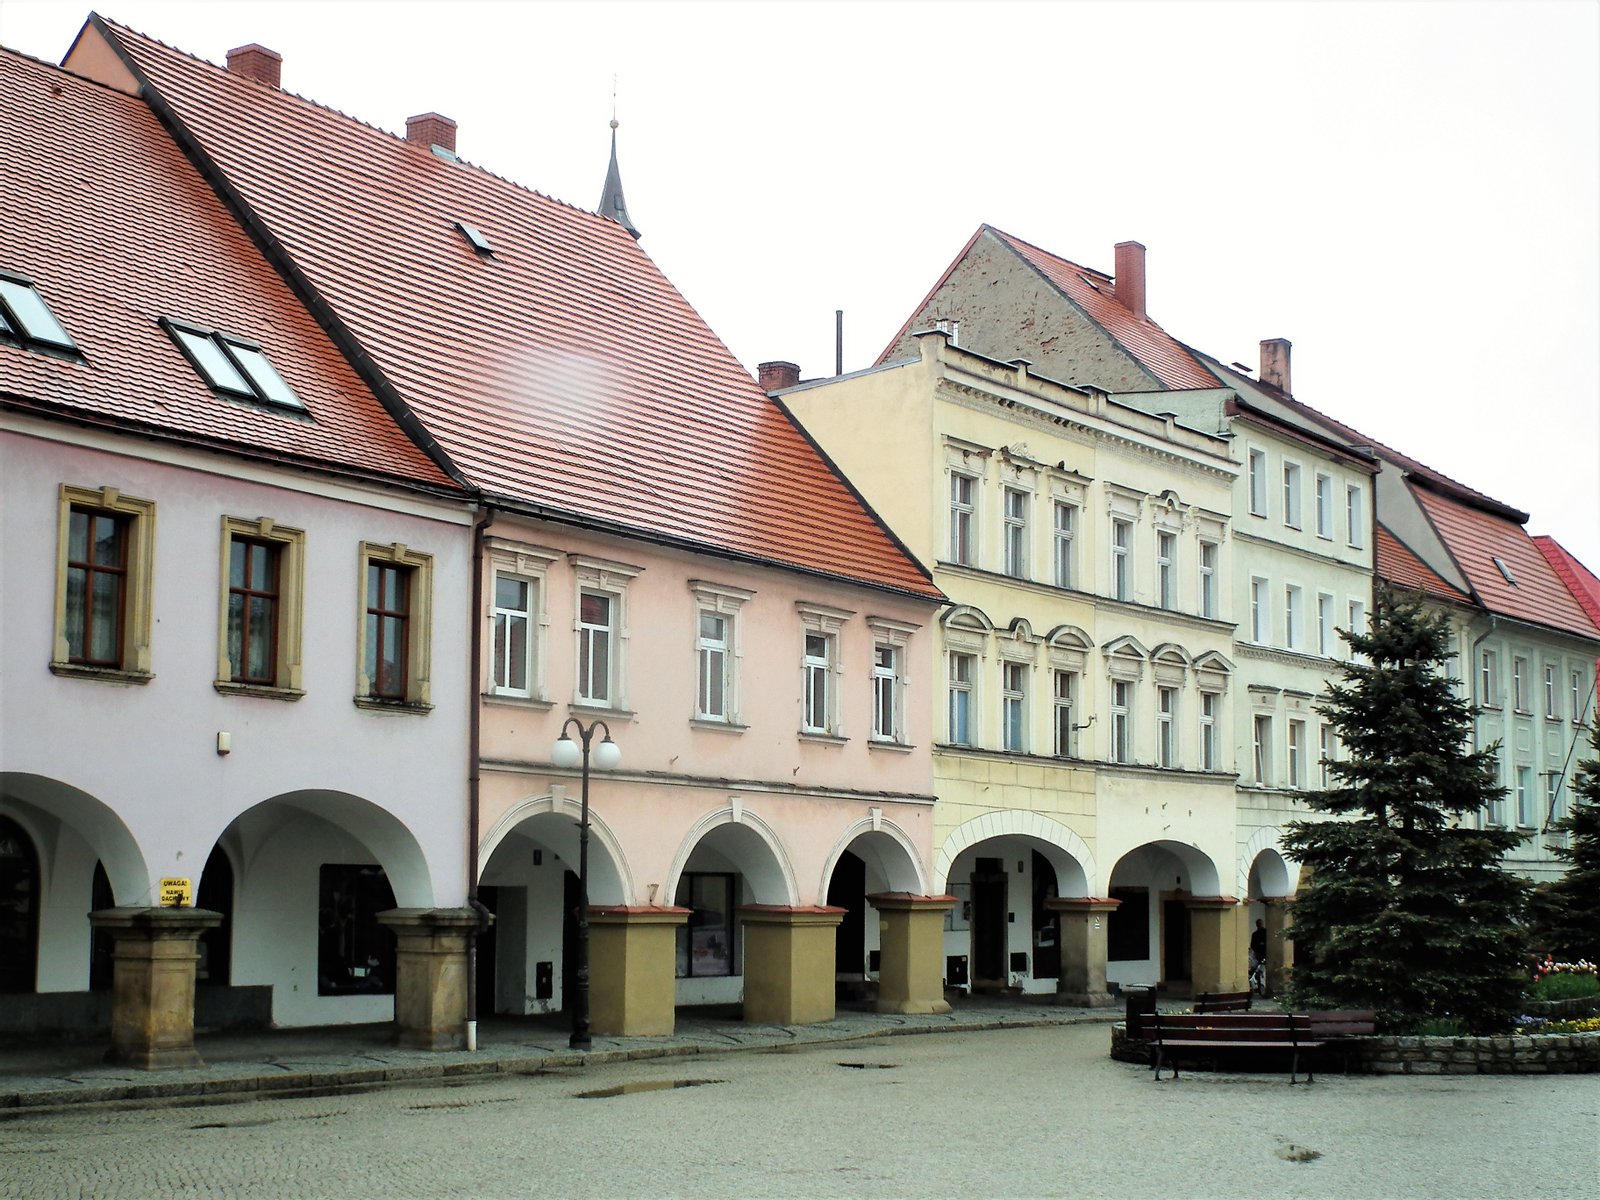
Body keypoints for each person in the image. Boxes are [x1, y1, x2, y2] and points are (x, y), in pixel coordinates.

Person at [1249, 918, 1268, 995]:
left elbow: (1252, 945)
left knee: (1259, 970)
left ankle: (1260, 987)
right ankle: (1259, 987)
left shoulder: (1262, 933)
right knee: (1258, 971)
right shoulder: (1257, 934)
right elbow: (1252, 945)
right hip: (1260, 954)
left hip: (1262, 954)